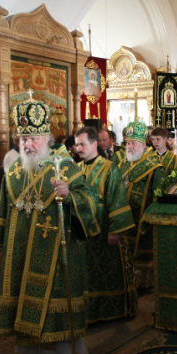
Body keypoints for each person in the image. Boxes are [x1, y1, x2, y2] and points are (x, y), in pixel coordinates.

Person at [0, 98, 101, 354]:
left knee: (52, 308)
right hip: (20, 253)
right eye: (22, 138)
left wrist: (69, 194)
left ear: (46, 138)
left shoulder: (66, 168)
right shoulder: (14, 172)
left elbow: (92, 202)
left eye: (33, 138)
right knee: (25, 302)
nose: (27, 144)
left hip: (58, 255)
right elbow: (3, 210)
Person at [73, 126, 136, 323]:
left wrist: (115, 230)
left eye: (82, 144)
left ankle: (112, 311)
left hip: (105, 229)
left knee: (109, 273)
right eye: (76, 145)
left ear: (94, 144)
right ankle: (91, 313)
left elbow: (117, 200)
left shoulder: (110, 168)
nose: (78, 148)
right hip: (84, 231)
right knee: (90, 273)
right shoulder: (78, 169)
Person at [111, 121, 164, 288]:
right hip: (123, 219)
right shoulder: (122, 163)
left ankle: (143, 284)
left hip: (141, 221)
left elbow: (158, 198)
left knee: (142, 258)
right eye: (128, 143)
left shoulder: (155, 167)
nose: (129, 146)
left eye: (133, 143)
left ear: (142, 144)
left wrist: (149, 219)